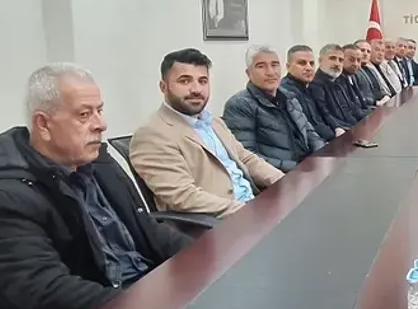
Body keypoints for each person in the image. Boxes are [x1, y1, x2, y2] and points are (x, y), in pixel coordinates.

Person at [0, 64, 193, 309]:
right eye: (84, 115)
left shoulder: (95, 163)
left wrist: (205, 261)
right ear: (43, 124)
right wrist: (147, 307)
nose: (101, 124)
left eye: (100, 111)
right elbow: (50, 290)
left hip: (141, 303)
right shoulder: (1, 201)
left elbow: (145, 228)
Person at [131, 49, 283, 216]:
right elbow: (184, 197)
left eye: (202, 81)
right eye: (184, 81)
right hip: (222, 222)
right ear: (163, 87)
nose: (196, 89)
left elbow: (245, 158)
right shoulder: (152, 135)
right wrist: (250, 212)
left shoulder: (212, 121)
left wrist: (285, 183)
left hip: (253, 205)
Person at [222, 45, 325, 172]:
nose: (270, 72)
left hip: (307, 168)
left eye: (274, 65)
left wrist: (322, 156)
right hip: (280, 176)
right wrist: (298, 168)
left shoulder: (289, 97)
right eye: (261, 66)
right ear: (248, 73)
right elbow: (247, 157)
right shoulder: (239, 105)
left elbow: (310, 133)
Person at [280, 45, 345, 142]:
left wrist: (337, 127)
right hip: (318, 145)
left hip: (330, 138)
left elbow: (324, 113)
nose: (309, 68)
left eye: (311, 63)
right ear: (288, 67)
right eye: (302, 63)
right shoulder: (286, 92)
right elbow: (301, 132)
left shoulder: (310, 86)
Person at [309, 43, 364, 128]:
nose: (337, 63)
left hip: (355, 126)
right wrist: (349, 128)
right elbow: (325, 115)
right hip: (343, 130)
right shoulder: (315, 84)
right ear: (320, 61)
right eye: (332, 58)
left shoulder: (340, 80)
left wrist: (367, 118)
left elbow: (352, 107)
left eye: (341, 60)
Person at [346, 42, 387, 108]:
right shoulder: (353, 72)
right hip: (369, 107)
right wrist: (375, 102)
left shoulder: (372, 70)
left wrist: (386, 96)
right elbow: (357, 96)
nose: (365, 54)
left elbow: (380, 89)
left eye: (368, 52)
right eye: (362, 50)